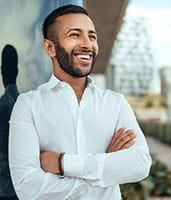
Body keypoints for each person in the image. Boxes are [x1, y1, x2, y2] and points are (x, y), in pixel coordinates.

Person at [8, 4, 151, 200]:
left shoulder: (115, 103)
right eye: (75, 35)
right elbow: (27, 187)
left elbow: (140, 164)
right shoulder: (28, 105)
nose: (87, 44)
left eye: (92, 36)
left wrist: (62, 163)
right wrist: (106, 167)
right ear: (50, 47)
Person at [0, 44, 19, 200]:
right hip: (23, 187)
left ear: (1, 72)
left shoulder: (3, 105)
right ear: (18, 72)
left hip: (5, 190)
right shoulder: (27, 104)